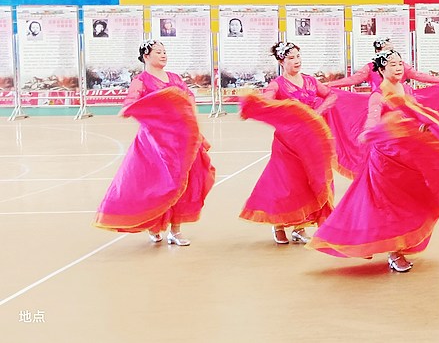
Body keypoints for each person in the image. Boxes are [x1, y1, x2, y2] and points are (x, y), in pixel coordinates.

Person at [309, 50, 439, 273]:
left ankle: (401, 244)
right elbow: (372, 118)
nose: (398, 68)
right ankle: (394, 252)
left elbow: (416, 112)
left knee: (412, 200)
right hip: (387, 159)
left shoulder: (407, 89)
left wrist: (426, 123)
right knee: (391, 206)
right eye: (392, 64)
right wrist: (369, 132)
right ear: (381, 70)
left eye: (400, 63)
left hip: (409, 155)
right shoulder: (378, 95)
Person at [95, 40, 216, 246]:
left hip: (181, 140)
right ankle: (154, 224)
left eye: (164, 52)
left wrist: (192, 126)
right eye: (158, 52)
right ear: (146, 56)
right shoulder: (140, 81)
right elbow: (131, 103)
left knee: (182, 182)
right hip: (155, 143)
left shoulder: (175, 78)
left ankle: (176, 230)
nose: (163, 55)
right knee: (156, 184)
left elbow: (188, 100)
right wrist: (134, 109)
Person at [239, 42, 337, 245]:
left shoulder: (310, 81)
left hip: (310, 141)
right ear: (281, 61)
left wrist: (317, 113)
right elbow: (267, 102)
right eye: (291, 58)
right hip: (287, 143)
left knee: (308, 182)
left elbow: (332, 95)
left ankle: (300, 227)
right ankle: (279, 224)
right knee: (286, 184)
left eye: (298, 56)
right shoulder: (277, 85)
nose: (297, 61)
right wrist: (268, 106)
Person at [322, 37, 439, 178]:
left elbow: (417, 76)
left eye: (392, 49)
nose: (391, 53)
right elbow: (353, 80)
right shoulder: (371, 70)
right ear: (379, 55)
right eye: (387, 50)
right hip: (383, 112)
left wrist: (438, 80)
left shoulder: (403, 75)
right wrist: (331, 85)